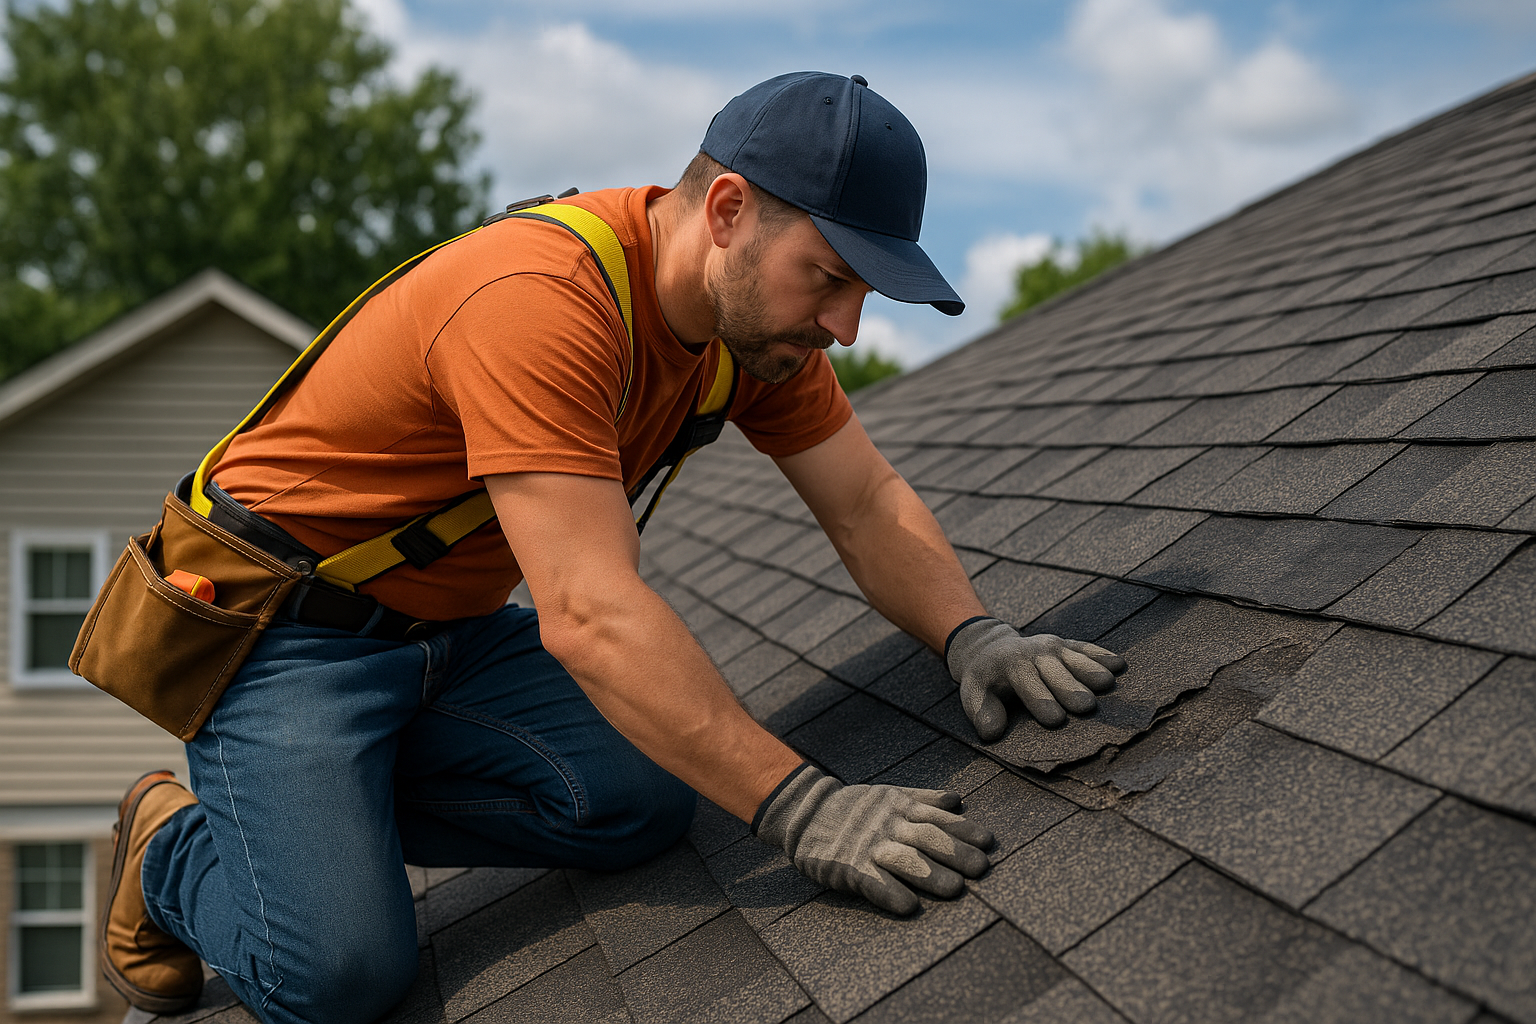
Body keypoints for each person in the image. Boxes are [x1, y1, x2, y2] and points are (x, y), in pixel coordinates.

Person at [101, 72, 1127, 1023]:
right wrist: (808, 808)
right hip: (292, 645)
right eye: (831, 277)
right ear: (727, 212)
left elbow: (864, 501)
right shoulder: (539, 301)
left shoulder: (750, 332)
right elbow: (589, 614)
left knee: (637, 802)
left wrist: (973, 633)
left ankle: (325, 811)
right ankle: (174, 847)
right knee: (341, 975)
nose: (847, 326)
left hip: (448, 636)